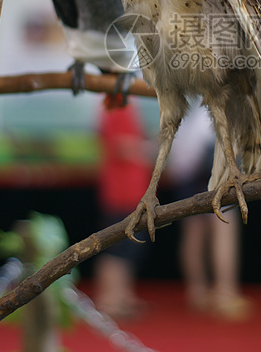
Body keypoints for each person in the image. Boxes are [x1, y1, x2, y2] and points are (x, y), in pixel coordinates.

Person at [168, 102, 252, 320]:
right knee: (224, 227)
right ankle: (225, 292)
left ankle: (197, 291)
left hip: (187, 165)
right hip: (210, 159)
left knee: (194, 231)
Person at [94, 99, 154, 320]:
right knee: (116, 245)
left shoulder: (124, 105)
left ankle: (122, 295)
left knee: (131, 246)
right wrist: (149, 148)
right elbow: (120, 145)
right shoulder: (116, 105)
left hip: (132, 191)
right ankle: (109, 298)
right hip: (121, 191)